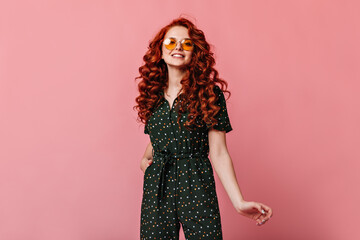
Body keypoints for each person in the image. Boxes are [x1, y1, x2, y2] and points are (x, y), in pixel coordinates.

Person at [134, 17, 273, 240]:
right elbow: (159, 139)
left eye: (186, 43)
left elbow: (218, 152)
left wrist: (238, 202)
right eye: (171, 42)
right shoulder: (152, 96)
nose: (178, 47)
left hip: (195, 181)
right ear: (160, 51)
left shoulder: (209, 94)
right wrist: (145, 160)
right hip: (157, 185)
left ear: (194, 53)